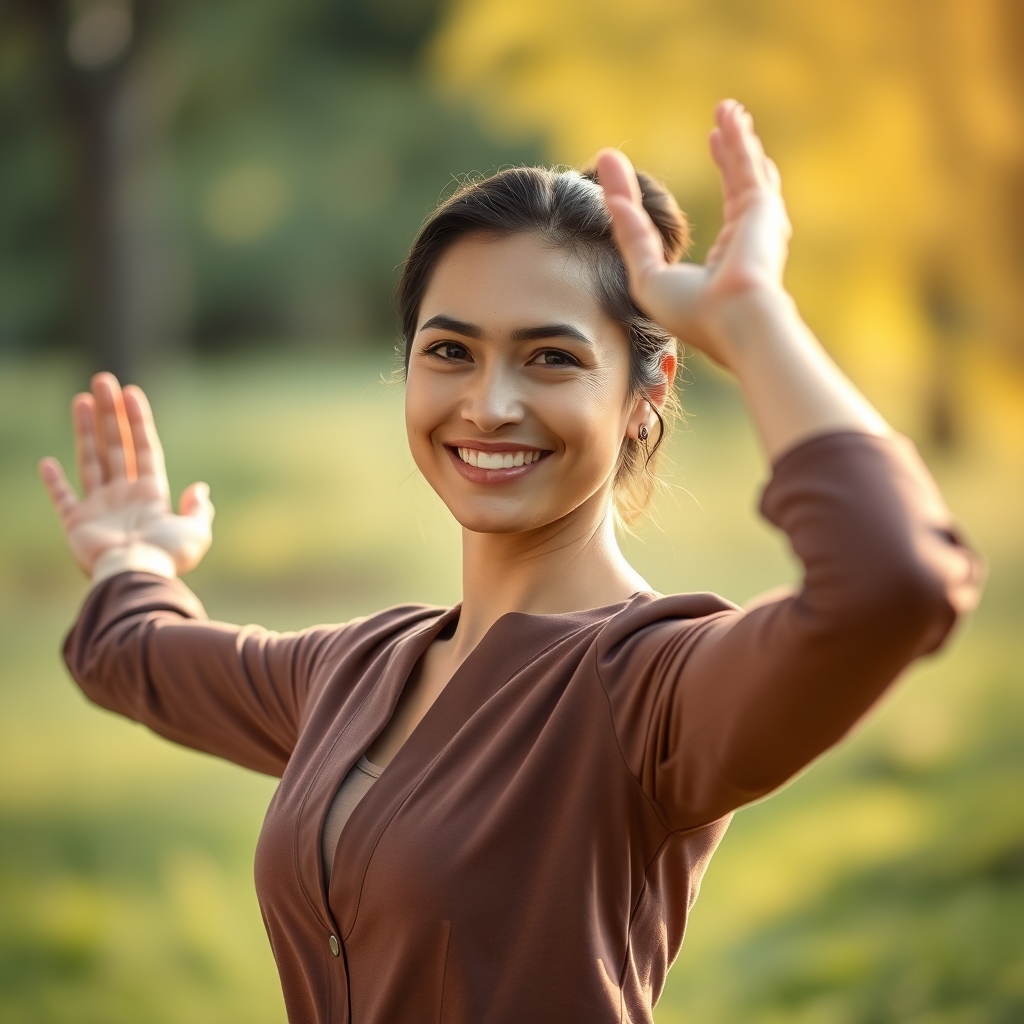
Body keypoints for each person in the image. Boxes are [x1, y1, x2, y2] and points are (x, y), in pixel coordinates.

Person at [40, 101, 981, 1024]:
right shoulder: (355, 673)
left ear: (648, 388)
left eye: (551, 359)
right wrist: (134, 559)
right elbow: (140, 657)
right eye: (450, 350)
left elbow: (890, 582)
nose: (488, 405)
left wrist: (753, 322)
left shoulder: (648, 690)